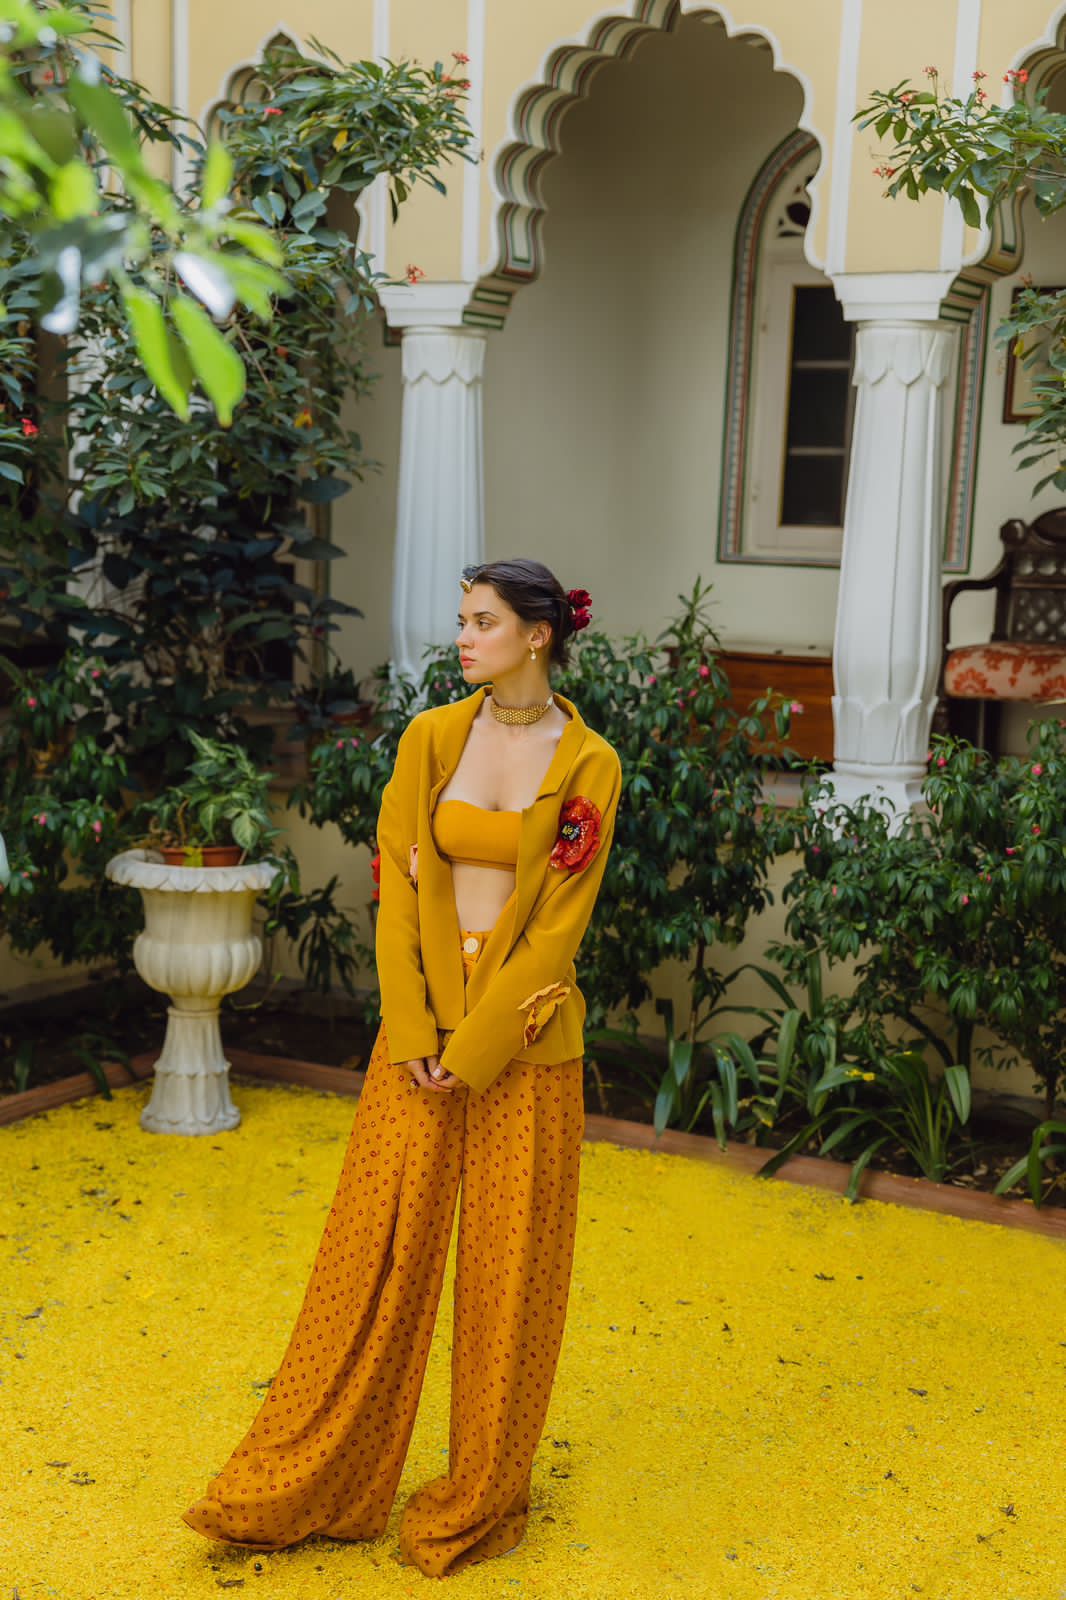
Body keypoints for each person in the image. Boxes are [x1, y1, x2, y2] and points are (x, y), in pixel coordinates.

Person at [181, 558, 623, 1577]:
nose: (464, 639)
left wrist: (473, 1054)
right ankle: (318, 1477)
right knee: (371, 1260)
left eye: (483, 621)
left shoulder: (589, 761)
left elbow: (557, 932)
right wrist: (420, 1036)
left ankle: (478, 1495)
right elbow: (398, 888)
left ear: (539, 635)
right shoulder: (431, 739)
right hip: (418, 1036)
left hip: (523, 1043)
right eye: (462, 621)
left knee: (511, 1276)